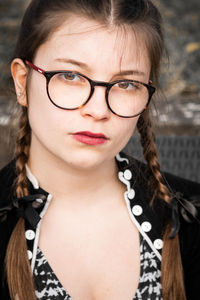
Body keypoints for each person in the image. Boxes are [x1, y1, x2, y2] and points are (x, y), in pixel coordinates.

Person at [0, 0, 200, 299]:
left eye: (126, 84)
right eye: (70, 76)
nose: (97, 110)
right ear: (22, 81)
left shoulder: (194, 220)